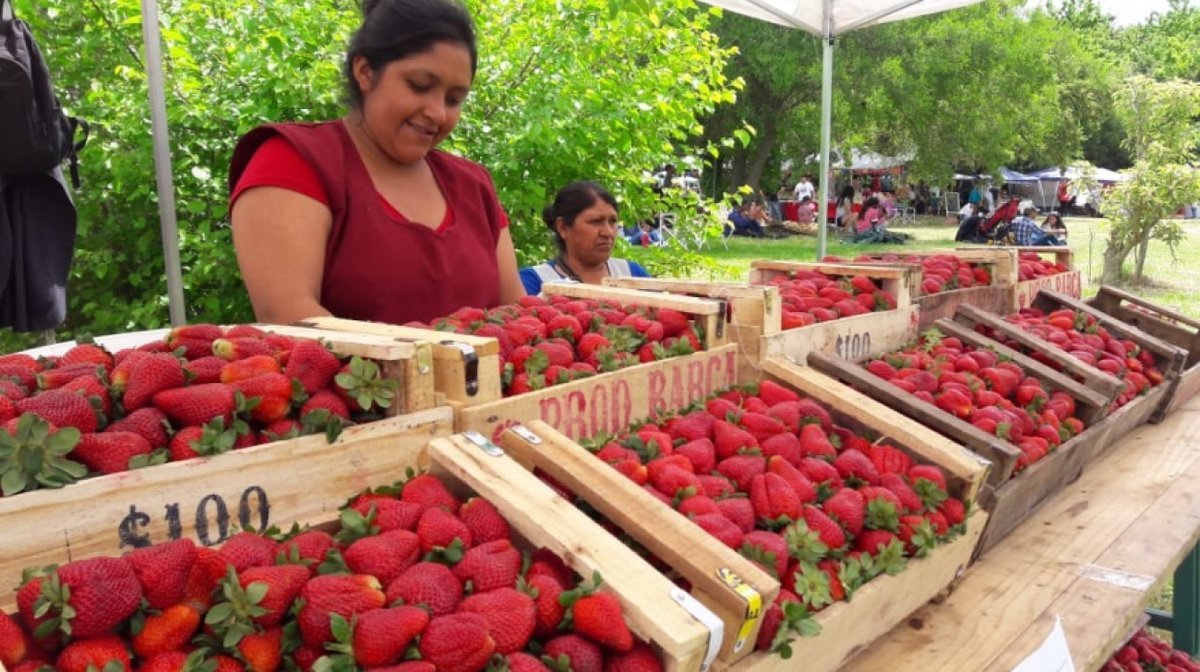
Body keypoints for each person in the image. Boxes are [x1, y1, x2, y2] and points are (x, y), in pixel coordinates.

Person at [228, 0, 524, 326]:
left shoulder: (474, 185)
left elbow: (516, 316)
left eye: (454, 100)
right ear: (365, 72)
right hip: (361, 379)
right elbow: (290, 318)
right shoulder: (292, 161)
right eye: (420, 86)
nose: (438, 113)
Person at [520, 181, 650, 295]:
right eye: (595, 221)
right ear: (563, 228)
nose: (608, 232)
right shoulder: (534, 283)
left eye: (612, 221)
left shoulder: (632, 274)